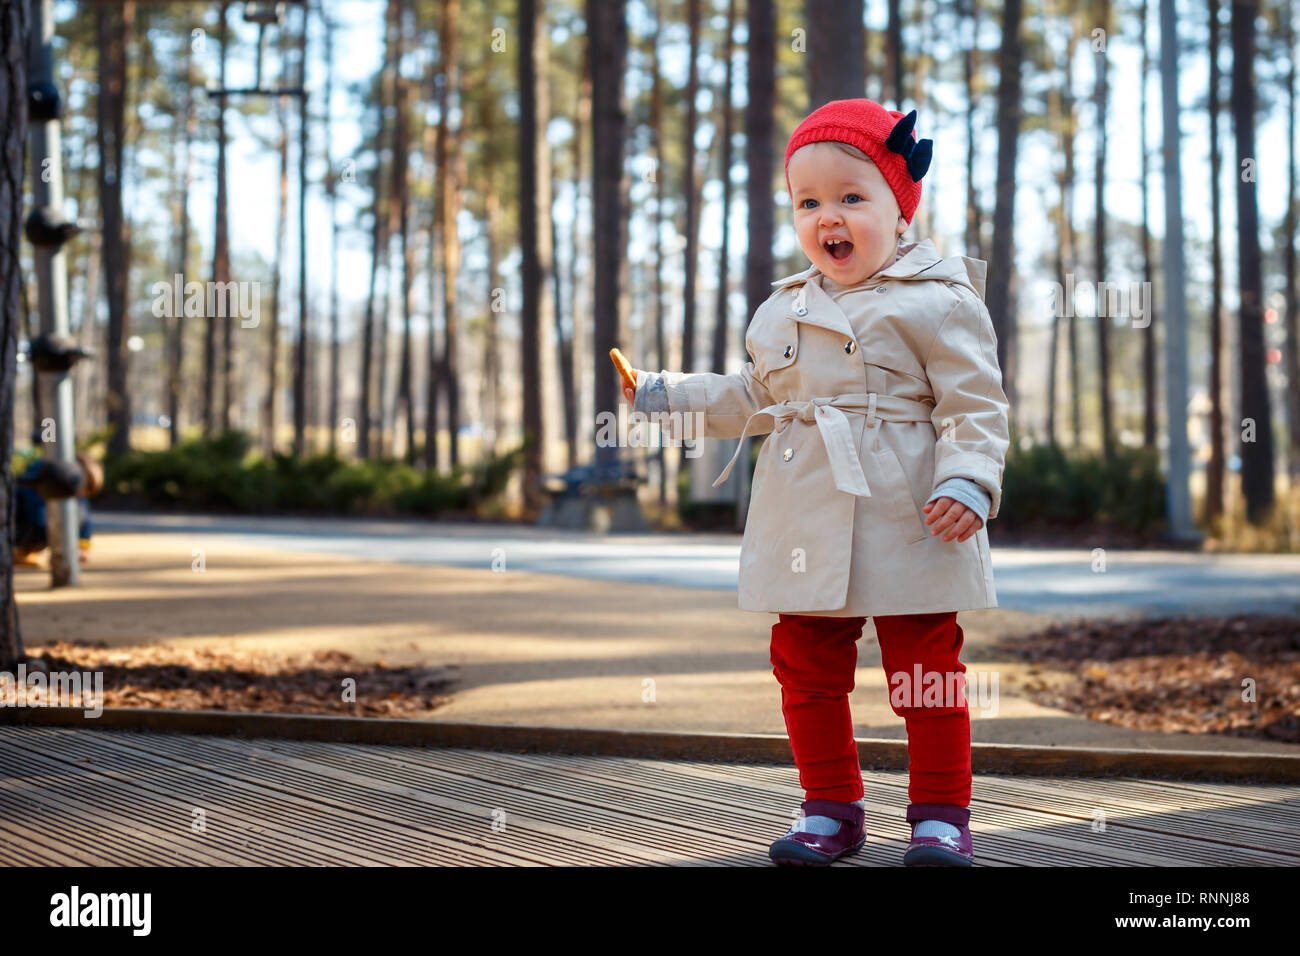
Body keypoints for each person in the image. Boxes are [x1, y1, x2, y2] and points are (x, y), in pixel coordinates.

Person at [619, 99, 1010, 866]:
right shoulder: (783, 310)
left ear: (901, 209)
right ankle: (830, 806)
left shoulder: (941, 299)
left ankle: (940, 815)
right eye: (808, 202)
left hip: (910, 511)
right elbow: (754, 399)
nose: (828, 216)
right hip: (805, 515)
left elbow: (976, 406)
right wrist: (665, 394)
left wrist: (968, 481)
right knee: (804, 665)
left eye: (851, 197)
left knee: (927, 668)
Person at [14, 451, 102, 566]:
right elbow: (38, 518)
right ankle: (21, 549)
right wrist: (62, 545)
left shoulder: (77, 497)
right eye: (84, 489)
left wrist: (82, 546)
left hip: (40, 528)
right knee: (43, 525)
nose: (82, 495)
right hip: (21, 525)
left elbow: (86, 522)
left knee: (80, 511)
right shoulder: (41, 483)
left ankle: (26, 550)